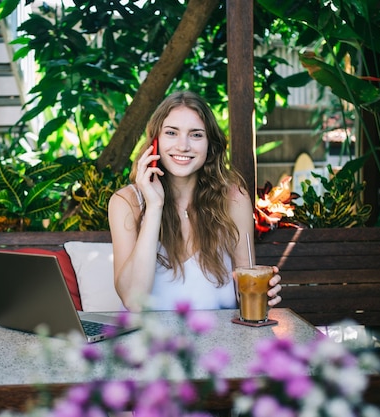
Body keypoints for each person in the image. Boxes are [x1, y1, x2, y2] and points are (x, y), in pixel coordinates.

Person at [108, 91, 282, 313]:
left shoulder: (234, 199)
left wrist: (263, 294)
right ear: (155, 142)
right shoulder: (126, 202)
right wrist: (154, 207)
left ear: (210, 144)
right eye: (171, 133)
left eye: (196, 135)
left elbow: (244, 289)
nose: (183, 146)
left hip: (220, 343)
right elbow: (133, 300)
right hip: (150, 344)